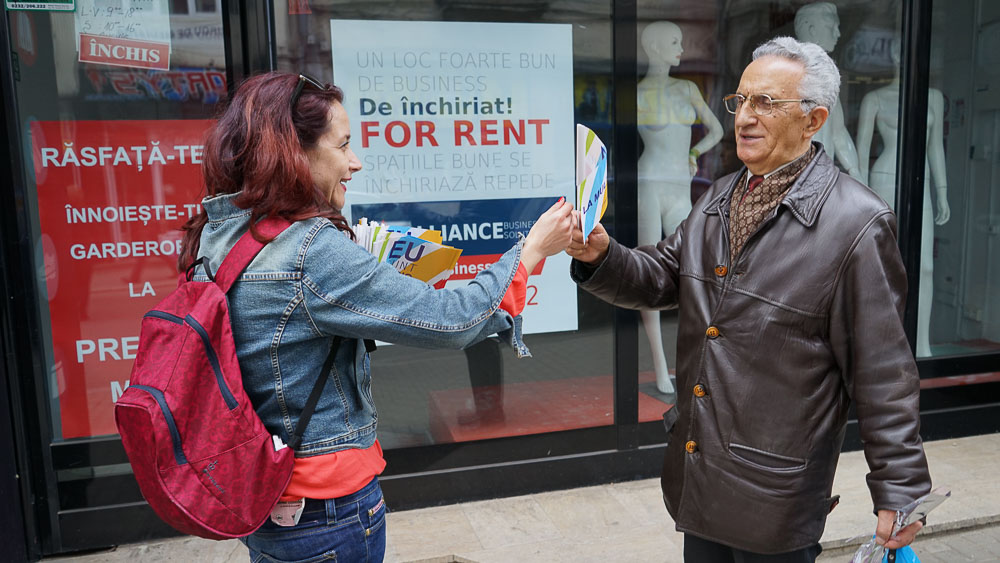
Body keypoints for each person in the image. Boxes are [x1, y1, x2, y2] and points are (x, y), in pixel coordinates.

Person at [177, 71, 574, 562]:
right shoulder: (309, 251)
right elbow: (457, 321)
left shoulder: (221, 231)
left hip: (266, 494)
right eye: (343, 145)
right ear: (293, 152)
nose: (355, 162)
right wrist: (532, 250)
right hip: (324, 511)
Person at [567, 37, 931, 562]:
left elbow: (883, 370)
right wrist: (602, 254)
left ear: (813, 120)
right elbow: (663, 275)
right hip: (702, 475)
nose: (744, 117)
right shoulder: (720, 196)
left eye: (766, 103)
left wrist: (899, 489)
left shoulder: (857, 223)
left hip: (775, 494)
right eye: (740, 101)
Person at [637, 20, 724, 397]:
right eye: (674, 42)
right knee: (648, 272)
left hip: (679, 187)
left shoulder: (687, 88)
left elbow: (717, 131)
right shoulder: (636, 95)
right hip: (648, 185)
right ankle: (660, 365)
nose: (681, 48)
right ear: (654, 48)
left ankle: (690, 360)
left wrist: (695, 152)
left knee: (694, 271)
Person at [856, 39, 950, 357]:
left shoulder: (933, 98)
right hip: (883, 180)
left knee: (924, 267)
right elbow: (861, 153)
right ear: (895, 55)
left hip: (920, 183)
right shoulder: (874, 98)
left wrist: (942, 193)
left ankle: (920, 343)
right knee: (883, 263)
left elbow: (935, 148)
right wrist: (861, 198)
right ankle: (880, 342)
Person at [794, 2, 862, 180]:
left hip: (822, 177)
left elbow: (839, 132)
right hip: (795, 178)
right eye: (832, 27)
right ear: (811, 29)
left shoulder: (827, 79)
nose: (838, 33)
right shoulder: (787, 77)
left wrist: (855, 172)